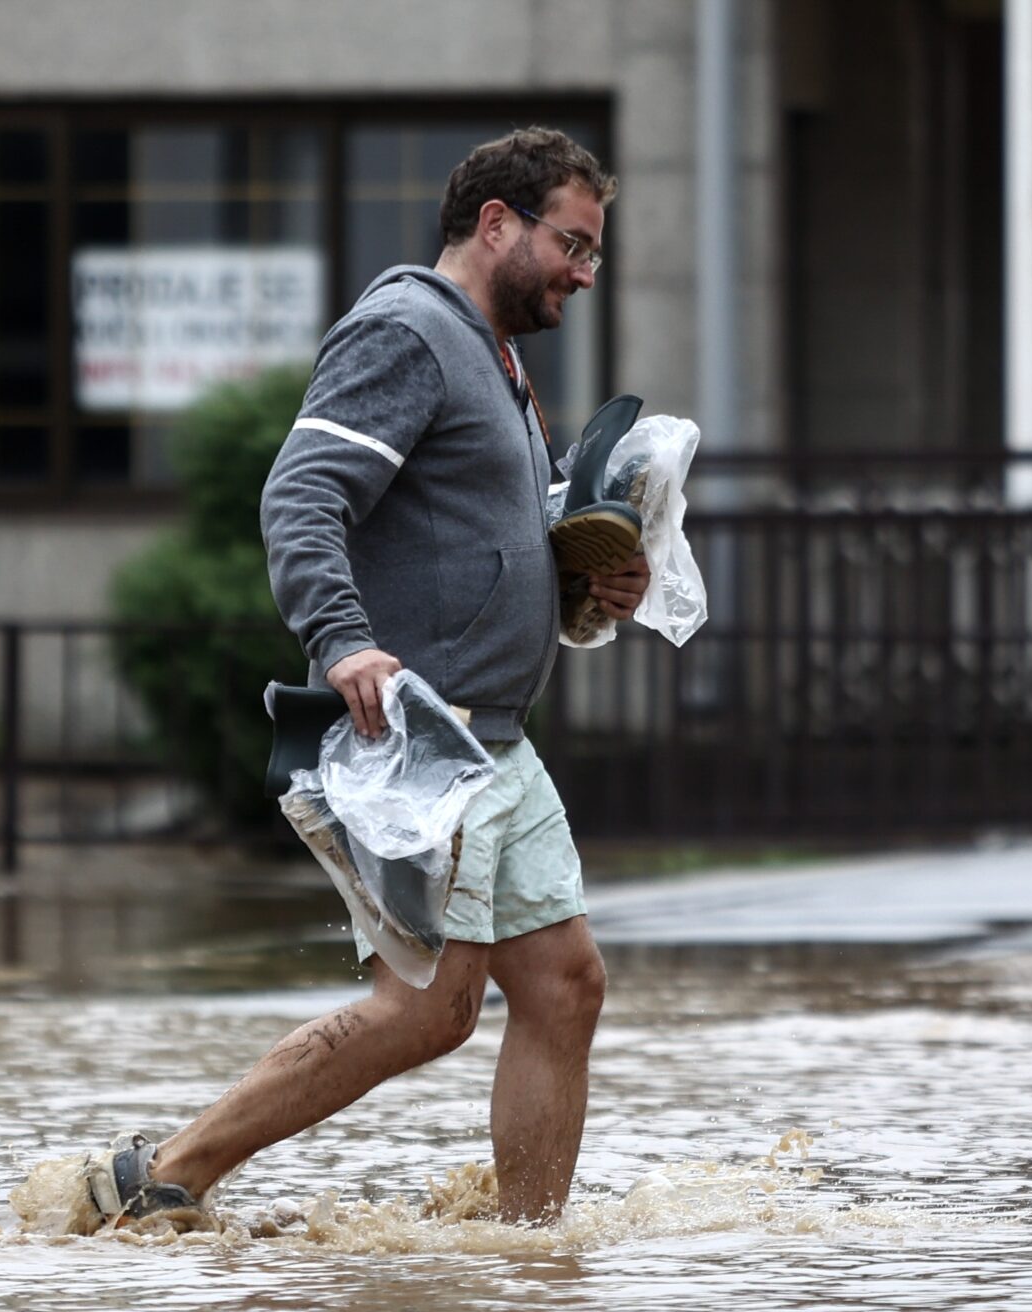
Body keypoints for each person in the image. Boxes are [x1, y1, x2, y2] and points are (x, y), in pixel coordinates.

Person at [75, 127, 648, 1230]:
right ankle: (164, 1174)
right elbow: (300, 497)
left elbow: (478, 547)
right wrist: (342, 641)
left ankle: (524, 1256)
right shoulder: (406, 333)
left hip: (498, 744)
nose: (583, 271)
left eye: (595, 253)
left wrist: (585, 593)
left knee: (565, 986)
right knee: (427, 1011)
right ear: (496, 223)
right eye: (571, 244)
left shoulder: (496, 359)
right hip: (416, 743)